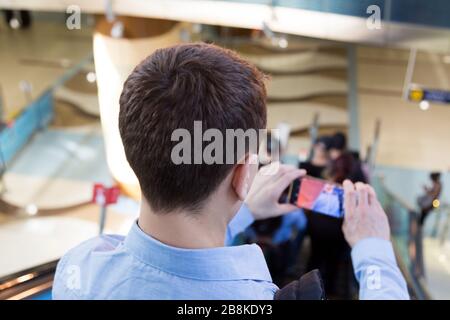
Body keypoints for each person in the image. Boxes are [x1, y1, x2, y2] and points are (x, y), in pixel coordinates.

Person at [52, 43, 408, 300]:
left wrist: (243, 210)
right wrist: (373, 248)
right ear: (243, 175)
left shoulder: (79, 267)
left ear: (133, 152)